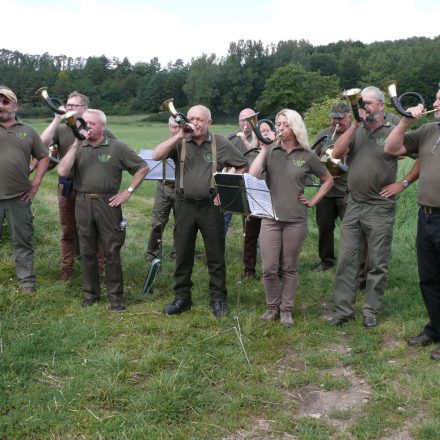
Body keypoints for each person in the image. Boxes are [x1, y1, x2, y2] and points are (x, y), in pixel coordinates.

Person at [153, 105, 248, 317]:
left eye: (200, 120)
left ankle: (218, 299)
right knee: (183, 253)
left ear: (209, 123)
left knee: (215, 254)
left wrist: (225, 189)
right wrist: (179, 136)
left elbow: (242, 165)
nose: (195, 123)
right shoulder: (181, 142)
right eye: (192, 118)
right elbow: (157, 154)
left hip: (210, 206)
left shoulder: (219, 143)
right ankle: (182, 298)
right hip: (184, 204)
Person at [57, 109, 149, 311]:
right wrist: (75, 144)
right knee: (87, 250)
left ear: (102, 126)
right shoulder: (78, 146)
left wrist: (128, 191)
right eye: (84, 123)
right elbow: (62, 171)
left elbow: (142, 167)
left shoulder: (116, 147)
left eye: (91, 123)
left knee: (111, 250)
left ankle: (116, 297)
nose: (86, 126)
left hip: (108, 203)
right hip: (82, 202)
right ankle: (91, 294)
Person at [250, 109, 334, 327]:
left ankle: (286, 309)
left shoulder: (307, 155)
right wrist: (265, 148)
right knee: (268, 268)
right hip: (270, 218)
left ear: (295, 127)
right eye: (278, 124)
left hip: (295, 219)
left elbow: (327, 180)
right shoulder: (271, 151)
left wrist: (313, 200)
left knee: (289, 267)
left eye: (286, 124)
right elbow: (252, 174)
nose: (280, 128)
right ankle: (272, 307)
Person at [327, 86, 400, 328]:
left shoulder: (392, 129)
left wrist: (404, 182)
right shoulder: (355, 130)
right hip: (354, 205)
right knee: (347, 259)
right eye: (361, 104)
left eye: (367, 103)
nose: (364, 107)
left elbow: (420, 152)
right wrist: (355, 126)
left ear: (381, 105)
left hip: (380, 207)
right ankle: (343, 311)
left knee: (377, 262)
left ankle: (370, 311)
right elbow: (335, 154)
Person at [384, 85, 440, 360]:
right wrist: (406, 120)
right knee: (429, 278)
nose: (435, 102)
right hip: (426, 215)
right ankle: (435, 329)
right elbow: (392, 147)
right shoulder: (429, 131)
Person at [40, 91, 110, 281]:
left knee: (94, 231)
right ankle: (67, 271)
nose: (68, 108)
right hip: (68, 187)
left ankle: (100, 270)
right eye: (67, 105)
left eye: (73, 106)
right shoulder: (62, 129)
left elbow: (113, 152)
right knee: (68, 231)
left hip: (90, 189)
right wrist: (56, 119)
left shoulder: (97, 129)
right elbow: (40, 144)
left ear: (84, 109)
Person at [0, 86, 50, 293]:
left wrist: (36, 183)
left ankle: (27, 282)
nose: (0, 106)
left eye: (5, 102)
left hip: (18, 197)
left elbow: (44, 156)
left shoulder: (27, 130)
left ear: (15, 105)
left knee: (22, 241)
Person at [312, 102, 352, 272]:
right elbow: (311, 158)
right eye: (334, 118)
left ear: (349, 117)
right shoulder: (324, 134)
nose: (337, 122)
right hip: (325, 191)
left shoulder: (355, 134)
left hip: (347, 191)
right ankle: (326, 261)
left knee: (350, 230)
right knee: (324, 227)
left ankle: (350, 263)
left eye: (340, 119)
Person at [241, 121, 272, 280]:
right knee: (250, 236)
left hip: (272, 201)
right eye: (260, 131)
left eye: (267, 131)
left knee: (271, 239)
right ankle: (248, 270)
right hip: (254, 200)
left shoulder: (277, 152)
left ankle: (272, 272)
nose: (264, 134)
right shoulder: (251, 153)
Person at [146, 117, 178, 261]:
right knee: (157, 222)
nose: (176, 130)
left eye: (178, 127)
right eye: (173, 127)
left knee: (182, 222)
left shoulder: (189, 145)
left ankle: (178, 252)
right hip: (164, 186)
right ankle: (152, 252)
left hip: (181, 188)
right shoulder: (165, 144)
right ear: (169, 128)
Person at [224, 108, 257, 234]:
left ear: (255, 121)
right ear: (239, 122)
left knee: (251, 219)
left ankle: (254, 251)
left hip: (252, 183)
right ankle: (217, 248)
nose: (245, 123)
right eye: (243, 120)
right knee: (225, 215)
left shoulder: (259, 137)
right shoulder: (232, 137)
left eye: (249, 120)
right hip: (233, 181)